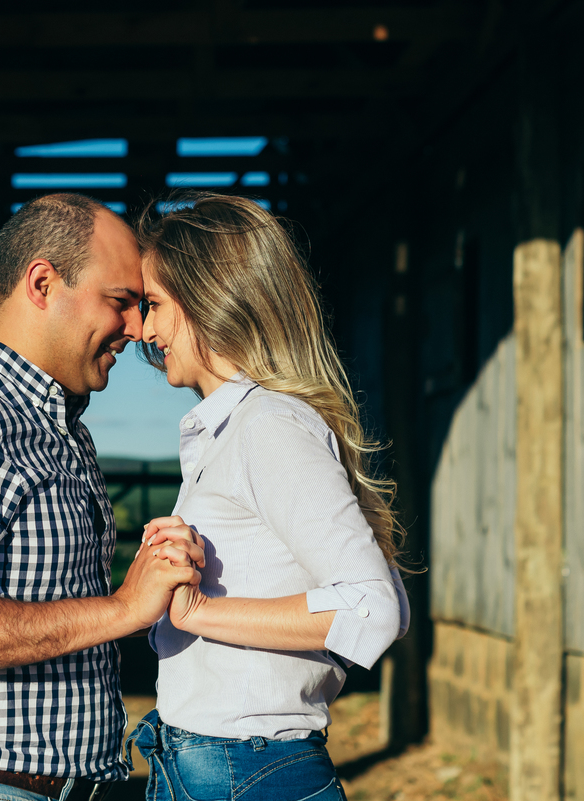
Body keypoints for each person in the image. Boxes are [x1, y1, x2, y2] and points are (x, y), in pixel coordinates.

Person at [0, 193, 203, 801]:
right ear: (43, 284)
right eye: (120, 302)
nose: (137, 329)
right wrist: (124, 607)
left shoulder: (59, 428)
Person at [124, 192, 411, 801]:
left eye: (154, 304)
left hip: (244, 770)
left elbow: (374, 608)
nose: (145, 330)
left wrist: (198, 612)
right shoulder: (236, 430)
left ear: (208, 297)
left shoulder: (268, 427)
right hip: (217, 762)